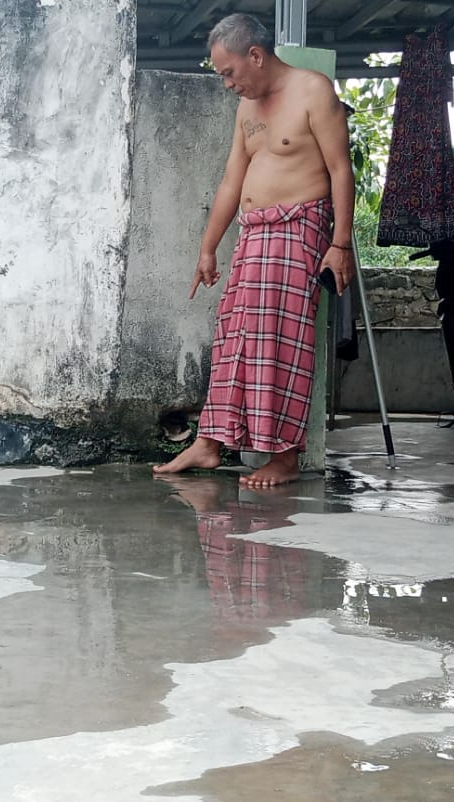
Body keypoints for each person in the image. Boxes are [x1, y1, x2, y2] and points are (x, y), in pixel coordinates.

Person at [153, 12, 355, 489]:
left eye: (228, 72)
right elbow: (231, 180)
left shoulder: (313, 91)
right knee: (234, 337)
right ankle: (210, 442)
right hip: (253, 235)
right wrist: (208, 249)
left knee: (279, 343)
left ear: (256, 56)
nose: (227, 84)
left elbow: (340, 169)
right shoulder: (249, 109)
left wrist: (341, 244)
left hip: (297, 230)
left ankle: (283, 456)